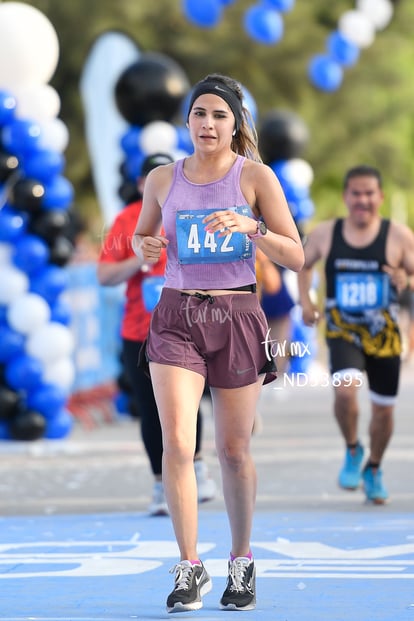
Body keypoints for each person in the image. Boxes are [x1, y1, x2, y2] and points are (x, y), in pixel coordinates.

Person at [132, 73, 304, 613]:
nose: (208, 124)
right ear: (186, 121)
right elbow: (142, 239)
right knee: (179, 444)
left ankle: (241, 561)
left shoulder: (256, 178)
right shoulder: (162, 179)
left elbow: (295, 255)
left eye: (219, 115)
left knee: (233, 450)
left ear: (235, 124)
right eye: (199, 113)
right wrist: (146, 243)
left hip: (237, 313)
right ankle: (189, 567)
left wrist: (252, 228)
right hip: (178, 313)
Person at [97, 152, 216, 516]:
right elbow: (104, 276)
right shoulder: (126, 220)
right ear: (140, 186)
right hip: (140, 330)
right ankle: (158, 483)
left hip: (187, 327)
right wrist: (140, 256)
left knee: (188, 403)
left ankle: (194, 463)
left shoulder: (194, 213)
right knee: (150, 409)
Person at [297, 164, 414, 505]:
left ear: (380, 197)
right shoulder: (326, 233)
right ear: (346, 196)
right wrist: (307, 303)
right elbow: (302, 264)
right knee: (345, 393)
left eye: (369, 194)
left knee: (383, 412)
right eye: (356, 193)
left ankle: (373, 468)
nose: (362, 200)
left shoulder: (398, 236)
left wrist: (406, 281)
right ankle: (352, 448)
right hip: (342, 330)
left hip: (385, 335)